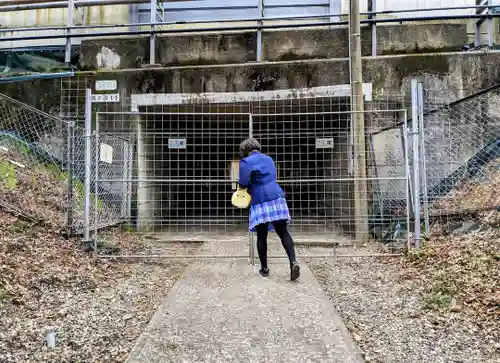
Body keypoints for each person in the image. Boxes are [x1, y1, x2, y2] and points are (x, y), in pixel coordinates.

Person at [237, 137, 300, 281]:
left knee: (261, 235)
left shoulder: (245, 162)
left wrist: (243, 188)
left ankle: (265, 269)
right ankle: (293, 262)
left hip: (260, 199)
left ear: (245, 150)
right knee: (283, 231)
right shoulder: (269, 159)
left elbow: (243, 183)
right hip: (277, 196)